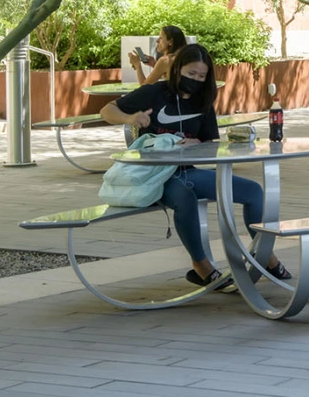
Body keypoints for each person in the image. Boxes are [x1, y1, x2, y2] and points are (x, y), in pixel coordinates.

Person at [100, 43, 291, 292]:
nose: (196, 80)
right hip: (157, 175)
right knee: (185, 195)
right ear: (178, 69)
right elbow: (107, 110)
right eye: (191, 74)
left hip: (187, 170)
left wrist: (196, 144)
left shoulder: (203, 101)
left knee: (253, 191)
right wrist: (130, 118)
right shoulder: (154, 93)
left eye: (201, 76)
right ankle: (201, 267)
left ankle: (264, 254)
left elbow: (210, 143)